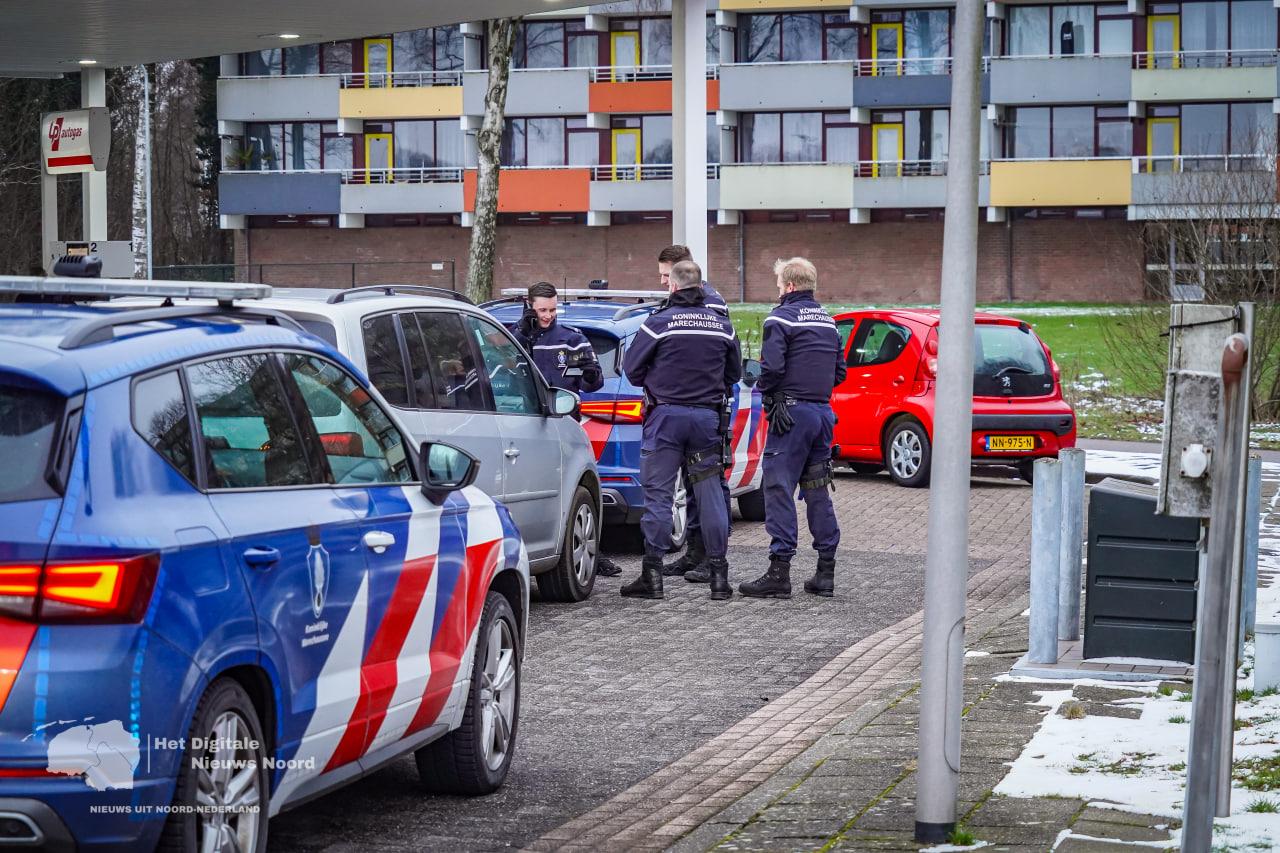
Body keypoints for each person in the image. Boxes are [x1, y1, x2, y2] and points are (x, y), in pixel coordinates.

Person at [621, 260, 741, 600]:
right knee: (710, 494)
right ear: (701, 287)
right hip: (706, 420)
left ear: (673, 286)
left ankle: (652, 576)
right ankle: (719, 577)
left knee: (659, 496)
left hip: (665, 419)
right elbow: (733, 374)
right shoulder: (721, 325)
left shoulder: (658, 322)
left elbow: (632, 370)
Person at [739, 257, 845, 599]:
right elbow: (840, 373)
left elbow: (770, 369)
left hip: (791, 418)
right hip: (822, 415)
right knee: (817, 490)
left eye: (778, 285)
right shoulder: (829, 322)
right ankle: (825, 572)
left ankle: (779, 572)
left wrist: (770, 392)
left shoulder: (780, 318)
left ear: (788, 285)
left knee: (778, 488)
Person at [654, 245, 733, 583]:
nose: (662, 282)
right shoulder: (692, 302)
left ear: (679, 272)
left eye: (665, 275)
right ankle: (695, 553)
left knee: (709, 484)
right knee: (692, 484)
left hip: (703, 407)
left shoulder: (709, 304)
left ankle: (712, 557)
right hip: (698, 407)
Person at [510, 281, 604, 395]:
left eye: (552, 310)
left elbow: (591, 386)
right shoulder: (510, 335)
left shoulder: (572, 340)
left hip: (563, 405)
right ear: (529, 306)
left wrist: (591, 377)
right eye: (543, 310)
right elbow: (500, 368)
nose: (548, 316)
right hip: (520, 406)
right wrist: (521, 334)